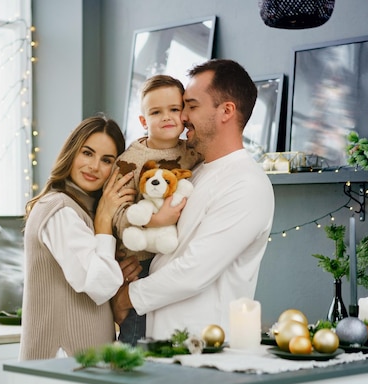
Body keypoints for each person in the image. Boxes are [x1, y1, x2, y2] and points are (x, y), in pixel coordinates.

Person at [111, 59, 275, 342]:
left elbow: (194, 271)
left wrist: (126, 298)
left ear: (226, 111)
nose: (182, 116)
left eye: (192, 106)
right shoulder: (192, 172)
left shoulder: (247, 184)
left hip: (200, 346)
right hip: (157, 339)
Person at [19, 115, 142, 361]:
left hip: (85, 363)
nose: (94, 166)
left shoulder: (83, 211)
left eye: (106, 160)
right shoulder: (60, 210)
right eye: (87, 153)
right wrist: (105, 221)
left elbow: (100, 281)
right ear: (72, 153)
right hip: (62, 364)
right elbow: (99, 284)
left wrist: (118, 274)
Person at [109, 74, 202, 345]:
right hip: (139, 261)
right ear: (143, 121)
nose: (167, 117)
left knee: (169, 331)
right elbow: (115, 212)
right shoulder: (130, 161)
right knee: (137, 330)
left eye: (174, 109)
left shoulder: (193, 154)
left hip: (174, 255)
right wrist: (153, 220)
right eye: (156, 112)